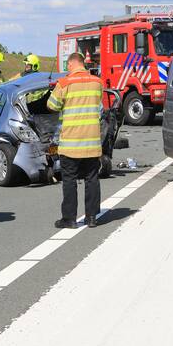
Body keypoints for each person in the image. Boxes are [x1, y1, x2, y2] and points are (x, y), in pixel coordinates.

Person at [48, 52, 104, 229]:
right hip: (92, 142)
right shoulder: (97, 82)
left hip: (71, 143)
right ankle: (92, 217)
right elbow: (99, 104)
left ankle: (70, 219)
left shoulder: (64, 83)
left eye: (68, 66)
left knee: (69, 180)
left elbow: (52, 105)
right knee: (92, 179)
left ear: (72, 64)